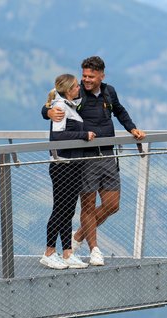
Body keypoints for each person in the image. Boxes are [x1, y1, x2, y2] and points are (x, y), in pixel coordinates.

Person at [45, 56, 145, 266]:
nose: (86, 80)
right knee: (88, 206)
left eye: (91, 76)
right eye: (84, 76)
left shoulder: (109, 92)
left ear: (102, 75)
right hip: (86, 156)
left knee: (112, 204)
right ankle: (94, 250)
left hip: (108, 153)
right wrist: (47, 112)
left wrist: (132, 128)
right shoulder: (77, 92)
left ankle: (79, 235)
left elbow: (119, 110)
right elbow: (56, 102)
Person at [39, 73, 96, 270]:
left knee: (68, 210)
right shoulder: (61, 106)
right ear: (69, 89)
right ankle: (48, 252)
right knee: (60, 208)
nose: (79, 88)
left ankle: (67, 252)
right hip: (62, 164)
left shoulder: (69, 105)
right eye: (76, 87)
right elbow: (58, 135)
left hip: (73, 164)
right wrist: (84, 134)